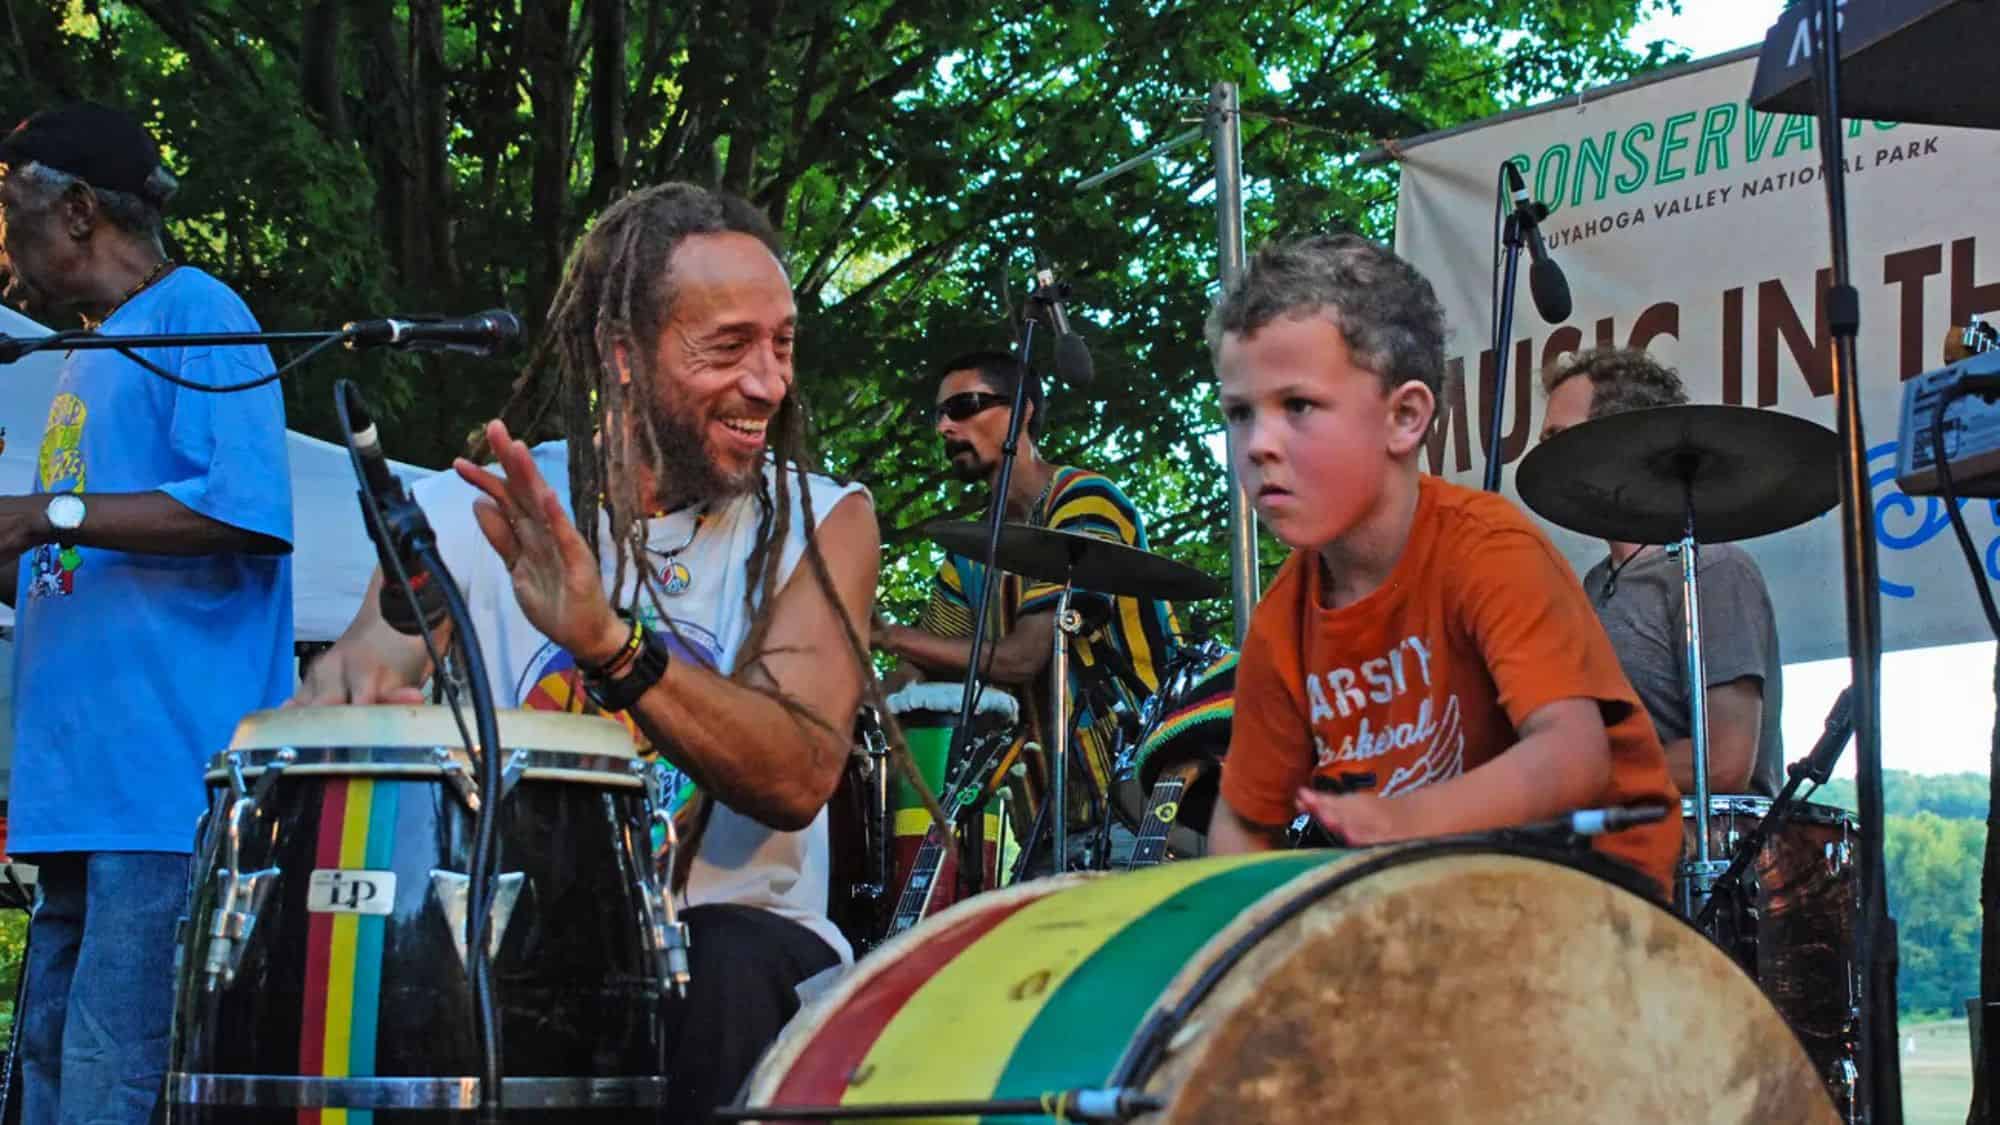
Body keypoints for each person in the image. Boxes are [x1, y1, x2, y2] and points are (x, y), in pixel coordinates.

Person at [295, 183, 880, 1122]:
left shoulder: (823, 520)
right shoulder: (476, 515)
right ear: (621, 356)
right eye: (728, 346)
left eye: (783, 344)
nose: (769, 381)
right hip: (507, 957)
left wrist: (608, 644)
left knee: (721, 955)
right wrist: (345, 710)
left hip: (742, 964)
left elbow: (798, 769)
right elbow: (363, 667)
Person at [1203, 233, 1681, 898]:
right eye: (1239, 413)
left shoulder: (1486, 547)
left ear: (1404, 417)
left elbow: (1573, 755)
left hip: (1596, 894)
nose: (1259, 445)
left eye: (1299, 406)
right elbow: (1243, 819)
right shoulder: (1283, 620)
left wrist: (1404, 819)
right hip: (1441, 896)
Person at [0, 103, 294, 1124]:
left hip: (163, 797)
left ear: (78, 210)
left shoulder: (199, 316)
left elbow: (244, 516)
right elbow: (71, 565)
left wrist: (42, 512)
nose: (3, 242)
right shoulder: (87, 353)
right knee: (48, 1080)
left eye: (10, 208)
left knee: (109, 1089)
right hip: (80, 799)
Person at [872, 350, 1181, 846]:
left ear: (1022, 410)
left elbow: (1024, 658)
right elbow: (920, 668)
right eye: (938, 415)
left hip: (1141, 805)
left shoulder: (1083, 500)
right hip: (1044, 824)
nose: (944, 428)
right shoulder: (971, 554)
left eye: (964, 407)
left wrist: (887, 635)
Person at [1538, 347, 1784, 796]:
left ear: (1621, 443)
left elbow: (1725, 762)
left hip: (1703, 854)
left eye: (1559, 439)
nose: (1543, 459)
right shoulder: (1593, 584)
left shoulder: (1711, 568)